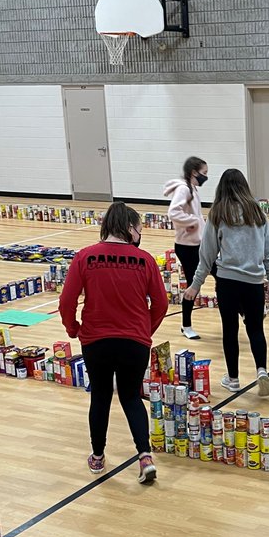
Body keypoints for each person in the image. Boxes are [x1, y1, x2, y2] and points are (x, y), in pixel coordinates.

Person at [59, 201, 168, 484]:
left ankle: (97, 456)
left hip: (96, 340)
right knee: (131, 397)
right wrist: (145, 330)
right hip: (134, 342)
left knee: (101, 397)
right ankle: (144, 455)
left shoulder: (85, 257)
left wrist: (73, 329)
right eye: (140, 228)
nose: (141, 233)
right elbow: (161, 303)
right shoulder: (144, 260)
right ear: (130, 228)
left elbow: (67, 300)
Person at [185, 168, 269, 397]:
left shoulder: (218, 213)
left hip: (227, 282)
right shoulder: (258, 213)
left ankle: (233, 379)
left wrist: (196, 284)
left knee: (230, 330)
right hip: (254, 281)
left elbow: (207, 253)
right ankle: (262, 370)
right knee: (256, 329)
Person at [164, 156, 208, 340]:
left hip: (198, 244)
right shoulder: (184, 189)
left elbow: (196, 216)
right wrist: (191, 222)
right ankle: (186, 325)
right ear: (193, 172)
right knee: (193, 285)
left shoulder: (192, 189)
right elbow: (173, 212)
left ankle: (242, 313)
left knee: (219, 273)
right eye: (204, 174)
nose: (206, 177)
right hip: (187, 247)